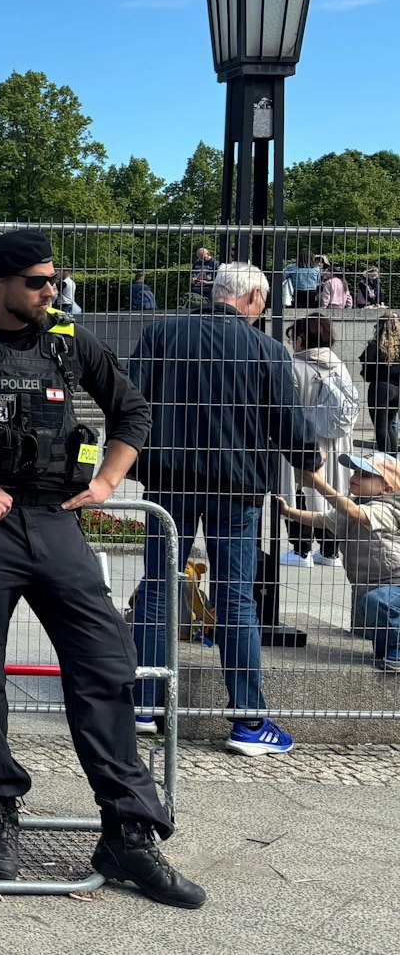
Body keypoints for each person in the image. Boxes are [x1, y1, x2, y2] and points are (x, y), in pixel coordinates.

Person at [0, 228, 203, 908]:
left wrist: (110, 480)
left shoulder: (69, 341)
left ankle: (127, 830)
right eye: (36, 281)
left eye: (53, 279)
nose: (51, 290)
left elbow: (132, 409)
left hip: (56, 524)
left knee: (105, 663)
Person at [126, 261, 319, 758]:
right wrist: (308, 458)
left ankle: (143, 704)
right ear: (253, 297)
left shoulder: (163, 334)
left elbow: (131, 401)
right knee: (235, 598)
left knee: (158, 584)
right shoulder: (267, 352)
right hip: (237, 486)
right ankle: (248, 720)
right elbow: (288, 424)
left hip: (169, 479)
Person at [277, 455, 400, 672]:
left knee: (379, 605)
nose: (355, 477)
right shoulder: (352, 506)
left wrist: (319, 484)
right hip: (371, 583)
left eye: (365, 475)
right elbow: (321, 519)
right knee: (378, 640)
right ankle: (392, 652)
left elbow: (355, 514)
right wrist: (288, 512)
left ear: (387, 489)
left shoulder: (387, 508)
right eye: (355, 472)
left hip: (395, 583)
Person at [283, 314, 357, 568]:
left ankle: (301, 550)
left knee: (299, 490)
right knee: (333, 492)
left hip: (307, 440)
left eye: (294, 338)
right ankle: (329, 552)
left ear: (301, 339)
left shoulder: (293, 366)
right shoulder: (340, 365)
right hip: (338, 443)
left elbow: (289, 409)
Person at [362, 312, 400, 456]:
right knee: (389, 426)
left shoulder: (375, 344)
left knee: (381, 428)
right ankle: (393, 460)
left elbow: (366, 364)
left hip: (381, 387)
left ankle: (385, 460)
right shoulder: (398, 345)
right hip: (397, 389)